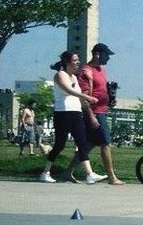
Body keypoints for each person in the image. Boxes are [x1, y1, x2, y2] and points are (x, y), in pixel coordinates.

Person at [39, 51, 104, 184]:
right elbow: (68, 90)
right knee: (59, 145)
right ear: (67, 62)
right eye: (75, 60)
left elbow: (78, 94)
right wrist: (87, 97)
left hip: (76, 112)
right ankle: (45, 173)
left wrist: (88, 106)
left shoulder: (74, 77)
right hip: (63, 113)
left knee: (82, 143)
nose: (78, 62)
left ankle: (90, 174)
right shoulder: (59, 75)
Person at [78, 43, 123, 184]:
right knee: (105, 144)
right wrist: (91, 116)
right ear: (98, 54)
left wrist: (109, 100)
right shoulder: (87, 71)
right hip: (95, 113)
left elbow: (101, 91)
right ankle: (111, 177)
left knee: (89, 145)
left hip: (102, 110)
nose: (108, 58)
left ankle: (67, 172)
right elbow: (84, 98)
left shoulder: (101, 70)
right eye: (107, 55)